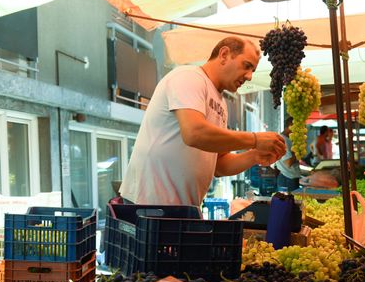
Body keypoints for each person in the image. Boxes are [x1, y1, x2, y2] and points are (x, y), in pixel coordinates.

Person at [120, 37, 286, 206]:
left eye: (253, 70)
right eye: (247, 65)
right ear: (224, 54)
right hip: (148, 205)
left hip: (183, 209)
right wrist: (255, 139)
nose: (249, 76)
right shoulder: (189, 77)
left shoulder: (221, 103)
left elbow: (219, 165)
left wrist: (254, 155)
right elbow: (194, 133)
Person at [274, 117, 300, 192]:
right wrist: (297, 151)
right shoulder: (283, 140)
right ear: (290, 126)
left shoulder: (287, 139)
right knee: (288, 202)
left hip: (289, 178)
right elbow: (288, 162)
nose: (297, 130)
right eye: (296, 127)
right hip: (288, 178)